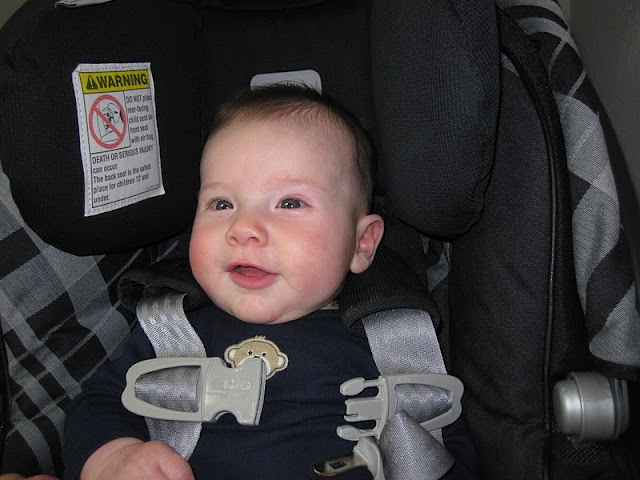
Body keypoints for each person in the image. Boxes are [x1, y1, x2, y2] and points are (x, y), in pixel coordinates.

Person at [62, 84, 476, 480]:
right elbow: (100, 401)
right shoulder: (173, 332)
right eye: (222, 203)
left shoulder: (391, 341)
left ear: (360, 243)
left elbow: (437, 441)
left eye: (289, 202)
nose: (243, 228)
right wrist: (113, 457)